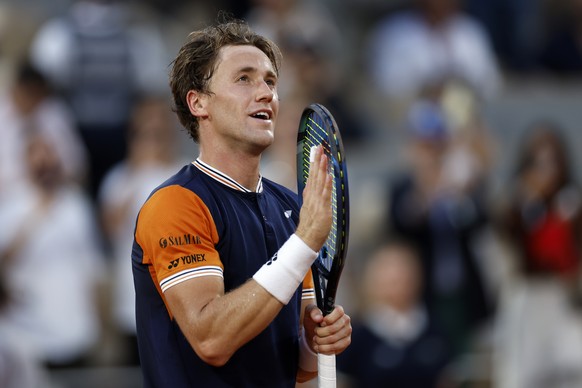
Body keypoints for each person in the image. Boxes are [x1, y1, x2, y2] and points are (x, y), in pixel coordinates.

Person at [131, 18, 352, 387]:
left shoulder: (294, 210)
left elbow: (291, 360)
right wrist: (304, 242)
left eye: (270, 81)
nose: (265, 92)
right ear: (198, 102)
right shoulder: (175, 205)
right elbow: (211, 338)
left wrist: (316, 344)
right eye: (244, 79)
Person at [98, 95, 185, 365]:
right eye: (144, 131)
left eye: (157, 130)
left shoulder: (185, 172)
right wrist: (137, 171)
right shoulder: (118, 178)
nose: (151, 137)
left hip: (180, 300)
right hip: (132, 303)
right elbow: (110, 228)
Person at [337, 240, 453, 388]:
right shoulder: (355, 333)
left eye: (403, 271)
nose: (397, 278)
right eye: (387, 272)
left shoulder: (434, 328)